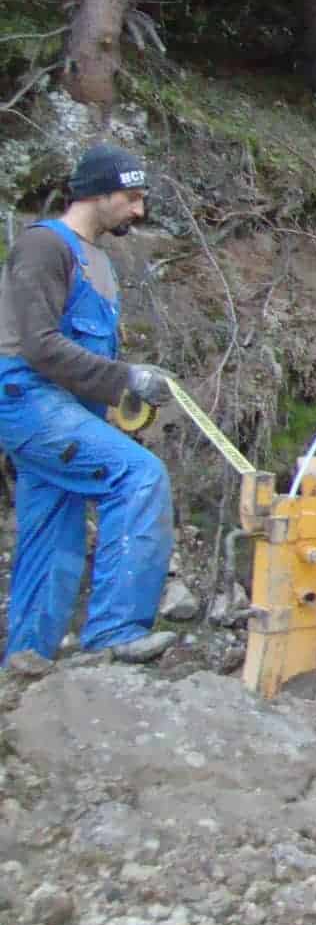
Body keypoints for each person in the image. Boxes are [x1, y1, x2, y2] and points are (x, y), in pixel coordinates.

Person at [0, 143, 178, 670]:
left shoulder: (96, 259)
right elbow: (39, 345)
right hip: (27, 399)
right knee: (139, 478)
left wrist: (124, 394)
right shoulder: (43, 246)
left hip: (64, 411)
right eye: (131, 197)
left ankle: (23, 667)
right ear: (98, 193)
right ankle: (113, 632)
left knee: (52, 540)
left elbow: (86, 356)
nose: (138, 210)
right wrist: (125, 378)